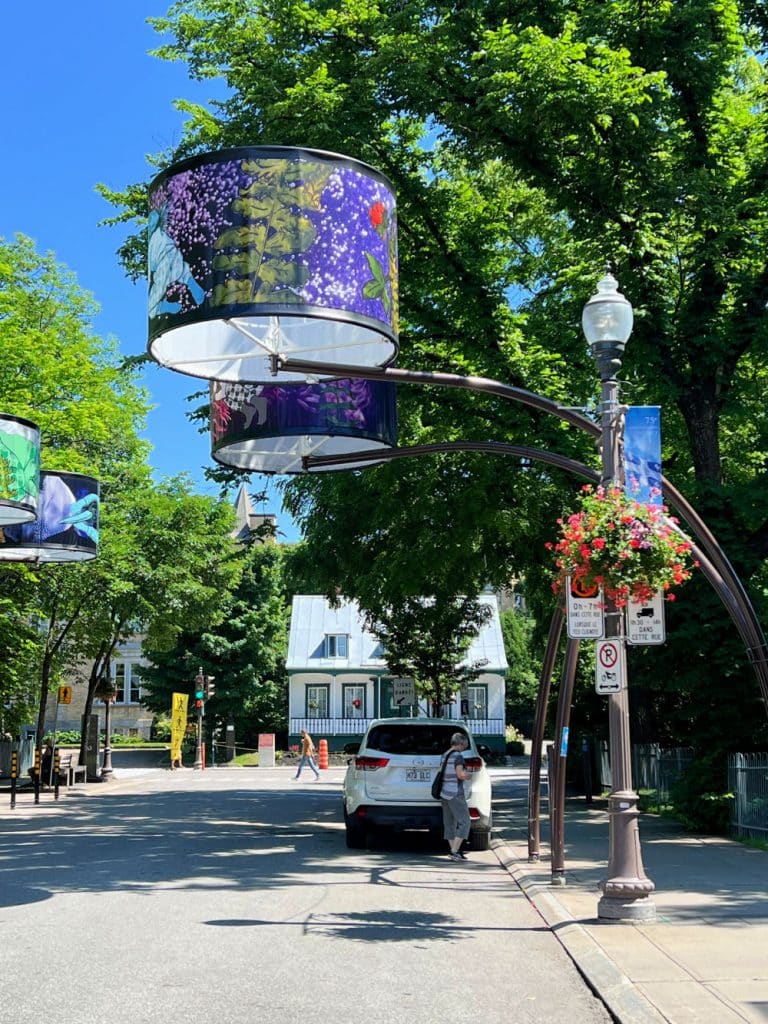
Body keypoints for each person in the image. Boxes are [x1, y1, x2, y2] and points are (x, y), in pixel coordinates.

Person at [440, 732, 472, 861]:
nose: (465, 747)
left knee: (449, 823)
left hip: (444, 793)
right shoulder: (458, 756)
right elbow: (460, 775)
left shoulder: (444, 755)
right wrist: (468, 775)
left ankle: (455, 851)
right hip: (455, 793)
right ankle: (454, 851)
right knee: (465, 821)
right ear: (460, 743)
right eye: (464, 745)